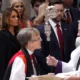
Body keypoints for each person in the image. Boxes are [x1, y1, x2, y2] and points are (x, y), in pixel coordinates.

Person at [36, 0, 75, 74]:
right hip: (49, 72)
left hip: (67, 72)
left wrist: (67, 68)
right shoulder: (41, 30)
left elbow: (72, 51)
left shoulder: (68, 28)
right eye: (56, 11)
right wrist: (54, 69)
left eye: (61, 11)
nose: (59, 13)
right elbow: (39, 54)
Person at [0, 8, 21, 80]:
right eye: (13, 17)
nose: (16, 19)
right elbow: (2, 58)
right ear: (6, 18)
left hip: (18, 68)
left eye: (17, 16)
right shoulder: (2, 35)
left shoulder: (18, 34)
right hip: (8, 70)